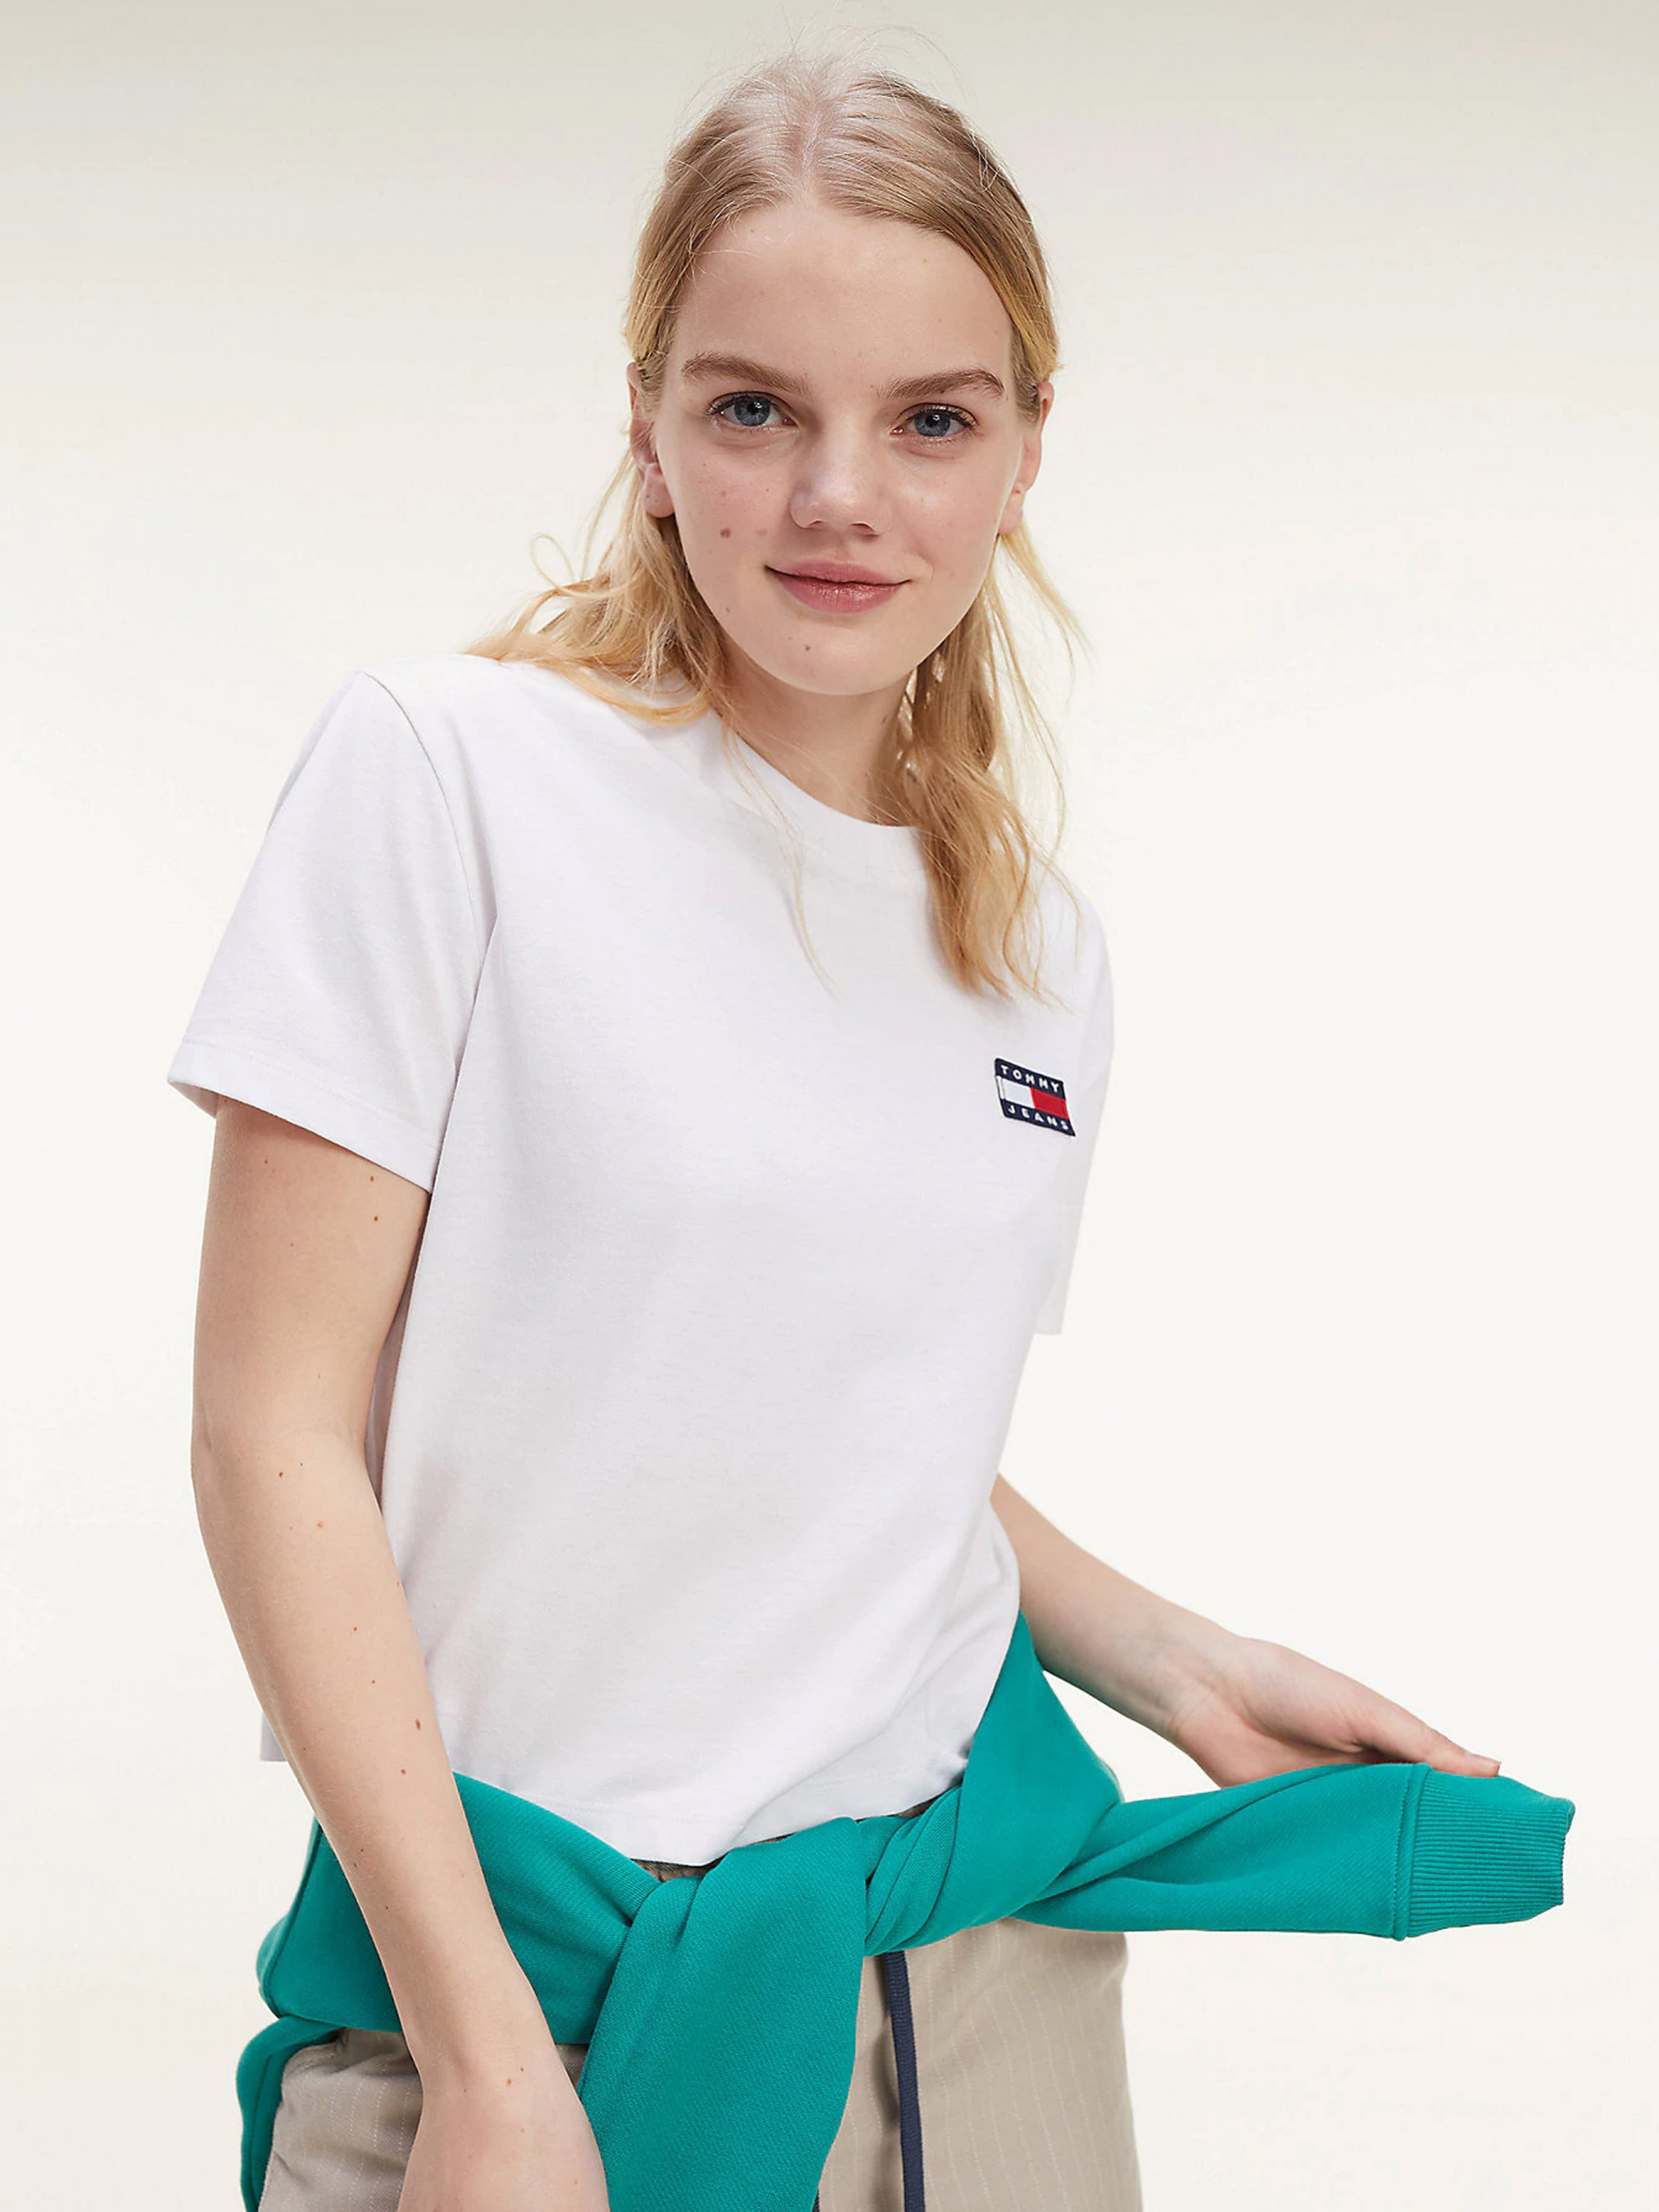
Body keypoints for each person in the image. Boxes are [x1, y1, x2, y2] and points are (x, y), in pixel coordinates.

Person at [168, 52, 1567, 2212]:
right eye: (754, 409)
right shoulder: (448, 781)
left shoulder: (1033, 950)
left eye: (931, 419)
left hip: (983, 1985)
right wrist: (485, 2066)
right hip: (521, 1992)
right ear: (646, 430)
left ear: (1023, 452)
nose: (841, 495)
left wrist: (1173, 1659)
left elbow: (827, 1413)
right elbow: (270, 1432)